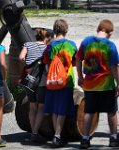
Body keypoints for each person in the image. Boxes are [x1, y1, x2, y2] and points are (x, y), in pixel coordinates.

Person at [76, 19, 119, 149]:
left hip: (90, 85)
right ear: (110, 32)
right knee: (111, 111)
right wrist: (118, 83)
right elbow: (114, 67)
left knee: (89, 111)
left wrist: (80, 77)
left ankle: (85, 139)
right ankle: (113, 138)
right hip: (107, 85)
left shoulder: (86, 42)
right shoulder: (110, 46)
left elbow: (78, 59)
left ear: (99, 28)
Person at [44, 19, 77, 148]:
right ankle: (57, 135)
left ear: (54, 30)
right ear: (66, 30)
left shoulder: (50, 46)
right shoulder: (71, 45)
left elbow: (46, 63)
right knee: (62, 109)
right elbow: (75, 62)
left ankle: (55, 134)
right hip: (66, 80)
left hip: (52, 80)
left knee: (54, 109)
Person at [19, 28, 51, 143]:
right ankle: (35, 133)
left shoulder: (27, 44)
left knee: (32, 106)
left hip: (30, 80)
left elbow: (21, 57)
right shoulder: (47, 48)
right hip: (42, 80)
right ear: (46, 38)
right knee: (41, 107)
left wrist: (28, 66)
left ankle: (33, 132)